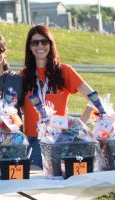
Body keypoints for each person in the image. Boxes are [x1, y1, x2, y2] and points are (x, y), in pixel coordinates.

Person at [20, 24, 99, 168]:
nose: (40, 46)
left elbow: (94, 98)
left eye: (44, 41)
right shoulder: (23, 75)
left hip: (61, 140)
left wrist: (77, 127)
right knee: (34, 186)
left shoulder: (65, 71)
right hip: (33, 141)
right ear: (30, 47)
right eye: (35, 42)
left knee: (60, 185)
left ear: (51, 44)